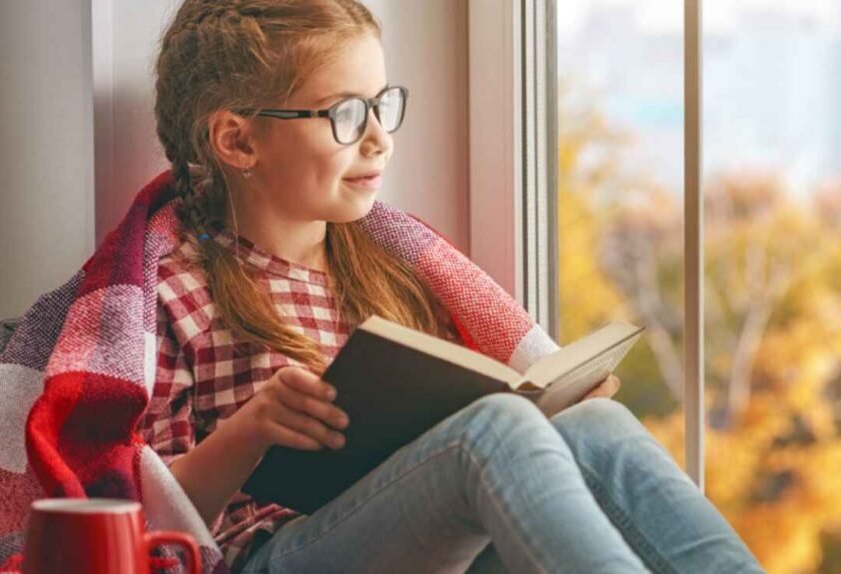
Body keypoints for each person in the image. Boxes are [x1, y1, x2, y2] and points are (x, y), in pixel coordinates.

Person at [140, 1, 764, 572]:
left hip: (423, 534)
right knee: (493, 429)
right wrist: (251, 431)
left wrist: (552, 403)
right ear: (239, 140)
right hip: (272, 555)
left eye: (381, 105)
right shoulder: (176, 291)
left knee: (595, 426)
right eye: (346, 115)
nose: (380, 138)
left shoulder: (385, 269)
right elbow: (147, 519)